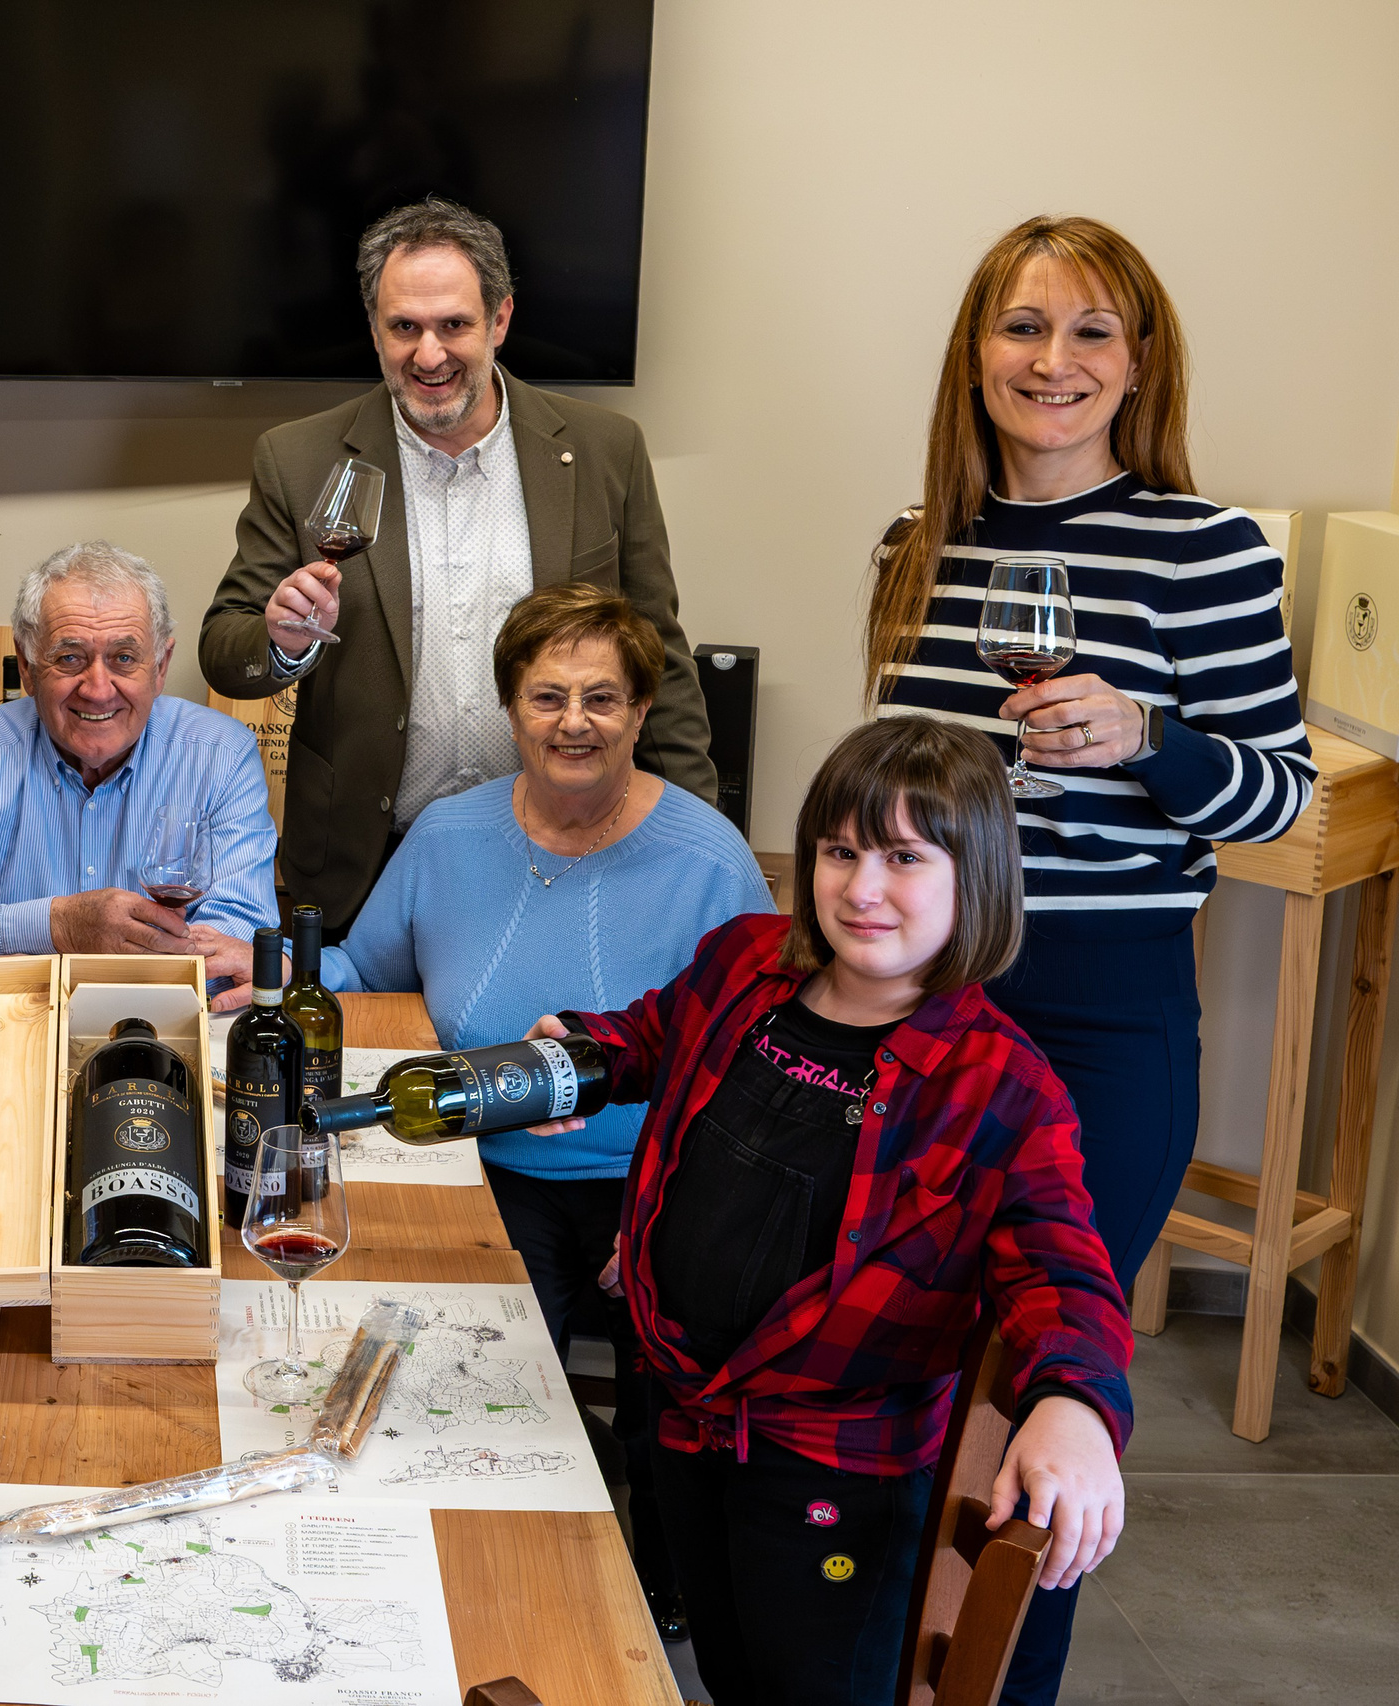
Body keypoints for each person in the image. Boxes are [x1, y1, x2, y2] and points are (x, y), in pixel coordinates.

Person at [867, 216, 1313, 1701]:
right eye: (1021, 327)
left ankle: (1000, 1678)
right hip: (929, 1012)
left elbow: (1278, 792)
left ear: (1138, 365)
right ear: (975, 353)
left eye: (1089, 333)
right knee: (913, 1377)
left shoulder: (1206, 547)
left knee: (1046, 1386)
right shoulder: (918, 545)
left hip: (1104, 1024)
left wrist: (1150, 738)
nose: (1050, 362)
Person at [539, 717, 1132, 1706]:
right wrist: (581, 1055)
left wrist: (1072, 1401)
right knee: (727, 1666)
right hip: (684, 1417)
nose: (861, 888)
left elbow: (1059, 1271)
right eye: (840, 850)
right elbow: (651, 1033)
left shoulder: (1003, 1090)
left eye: (904, 857)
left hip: (837, 1478)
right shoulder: (742, 963)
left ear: (973, 873)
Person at [318, 581, 769, 1641]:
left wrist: (670, 1206)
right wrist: (268, 977)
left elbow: (761, 1058)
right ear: (510, 707)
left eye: (602, 697)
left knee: (678, 1394)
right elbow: (363, 971)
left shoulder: (708, 860)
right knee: (480, 1373)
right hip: (482, 1174)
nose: (574, 721)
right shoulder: (445, 835)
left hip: (655, 1180)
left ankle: (665, 1599)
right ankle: (496, 1593)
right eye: (548, 694)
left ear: (642, 711)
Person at [199, 196, 714, 935]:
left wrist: (696, 839)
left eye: (454, 325)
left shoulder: (606, 452)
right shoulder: (298, 458)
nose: (429, 354)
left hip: (564, 845)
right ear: (374, 330)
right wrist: (283, 641)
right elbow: (226, 652)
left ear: (500, 320)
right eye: (404, 327)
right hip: (369, 863)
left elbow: (657, 657)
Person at [0, 542, 275, 994]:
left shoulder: (221, 754)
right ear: (27, 667)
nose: (99, 689)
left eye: (124, 658)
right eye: (70, 658)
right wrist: (55, 924)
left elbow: (238, 946)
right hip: (8, 1026)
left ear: (161, 666)